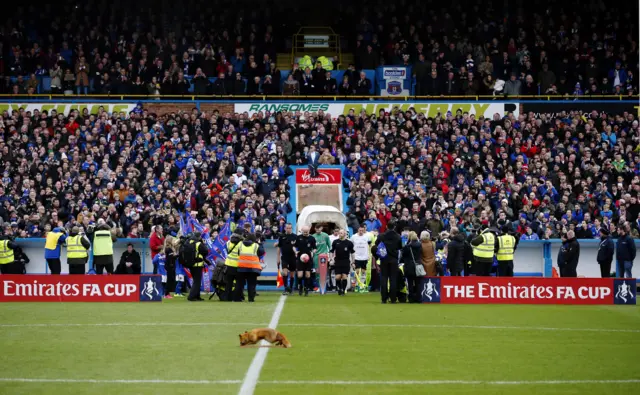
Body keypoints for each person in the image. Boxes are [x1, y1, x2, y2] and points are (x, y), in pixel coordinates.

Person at [373, 220, 402, 304]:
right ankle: (393, 298)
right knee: (393, 279)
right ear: (394, 227)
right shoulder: (397, 236)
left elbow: (376, 244)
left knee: (384, 278)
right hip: (394, 259)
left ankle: (384, 298)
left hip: (384, 258)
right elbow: (400, 247)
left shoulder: (382, 235)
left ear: (386, 226)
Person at [237, 233, 265, 302]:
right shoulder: (256, 245)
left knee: (240, 284)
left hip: (242, 267)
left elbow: (238, 253)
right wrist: (260, 243)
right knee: (251, 284)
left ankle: (238, 298)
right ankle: (251, 299)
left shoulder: (240, 244)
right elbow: (262, 252)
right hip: (253, 268)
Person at [185, 232, 210, 301]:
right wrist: (203, 243)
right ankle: (191, 296)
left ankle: (197, 296)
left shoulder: (189, 242)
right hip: (198, 264)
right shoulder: (199, 243)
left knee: (196, 280)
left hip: (191, 264)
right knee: (197, 281)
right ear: (199, 237)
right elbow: (206, 251)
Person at [330, 229, 355, 296]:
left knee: (344, 277)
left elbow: (352, 253)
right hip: (337, 261)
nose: (339, 234)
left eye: (341, 233)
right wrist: (331, 259)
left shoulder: (349, 243)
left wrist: (353, 262)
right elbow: (332, 251)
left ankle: (343, 290)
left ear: (345, 234)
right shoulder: (335, 242)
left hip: (346, 261)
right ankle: (339, 288)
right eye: (339, 233)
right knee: (337, 277)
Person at [401, 231, 423, 303]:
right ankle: (418, 298)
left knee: (410, 283)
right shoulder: (420, 245)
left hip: (409, 266)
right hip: (418, 265)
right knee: (418, 283)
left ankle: (411, 298)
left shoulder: (407, 247)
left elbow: (403, 256)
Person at [275, 223, 297, 295]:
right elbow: (279, 247)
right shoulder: (282, 237)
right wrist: (278, 258)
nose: (288, 229)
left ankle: (290, 289)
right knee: (284, 272)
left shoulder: (295, 237)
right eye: (287, 228)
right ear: (285, 228)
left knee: (292, 274)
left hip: (293, 257)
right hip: (284, 257)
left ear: (291, 228)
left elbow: (297, 247)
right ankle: (285, 288)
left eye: (290, 228)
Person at [295, 225, 317, 296]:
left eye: (306, 232)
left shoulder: (312, 238)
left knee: (308, 275)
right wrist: (295, 251)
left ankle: (306, 288)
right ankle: (300, 287)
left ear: (309, 231)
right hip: (300, 258)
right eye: (304, 232)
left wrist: (313, 252)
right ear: (302, 231)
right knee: (300, 275)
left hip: (308, 258)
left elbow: (315, 248)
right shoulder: (298, 238)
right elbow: (294, 246)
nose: (305, 233)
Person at [223, 229, 244, 301]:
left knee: (228, 283)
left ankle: (227, 298)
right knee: (238, 283)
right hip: (237, 265)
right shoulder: (241, 243)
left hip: (228, 264)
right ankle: (237, 298)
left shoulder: (228, 242)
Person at [351, 225, 372, 292]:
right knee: (356, 271)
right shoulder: (354, 237)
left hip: (364, 257)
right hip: (356, 257)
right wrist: (352, 256)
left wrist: (369, 254)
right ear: (358, 230)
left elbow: (370, 245)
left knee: (363, 272)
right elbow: (351, 246)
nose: (361, 232)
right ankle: (356, 285)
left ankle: (362, 285)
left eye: (362, 230)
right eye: (360, 230)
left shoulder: (367, 237)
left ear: (364, 230)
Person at [312, 224, 331, 291]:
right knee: (317, 271)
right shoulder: (313, 236)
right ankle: (319, 286)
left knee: (323, 271)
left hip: (324, 256)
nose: (317, 230)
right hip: (316, 256)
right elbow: (311, 247)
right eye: (316, 229)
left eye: (318, 229)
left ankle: (324, 286)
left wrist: (330, 255)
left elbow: (329, 245)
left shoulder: (325, 235)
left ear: (321, 228)